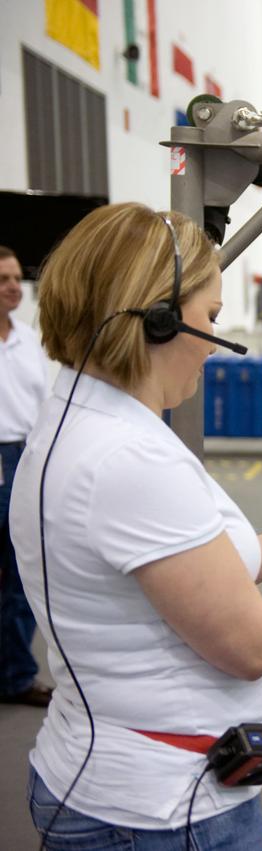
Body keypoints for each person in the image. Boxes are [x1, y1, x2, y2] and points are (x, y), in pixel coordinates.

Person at [8, 204, 262, 849]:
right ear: (157, 320)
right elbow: (250, 645)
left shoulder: (79, 420)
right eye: (210, 317)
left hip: (107, 777)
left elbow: (193, 573)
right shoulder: (130, 460)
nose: (216, 343)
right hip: (163, 812)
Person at [0, 245, 53, 707]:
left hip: (23, 458)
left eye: (17, 278)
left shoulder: (27, 339)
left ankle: (16, 676)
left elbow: (43, 406)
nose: (14, 287)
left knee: (21, 574)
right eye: (3, 279)